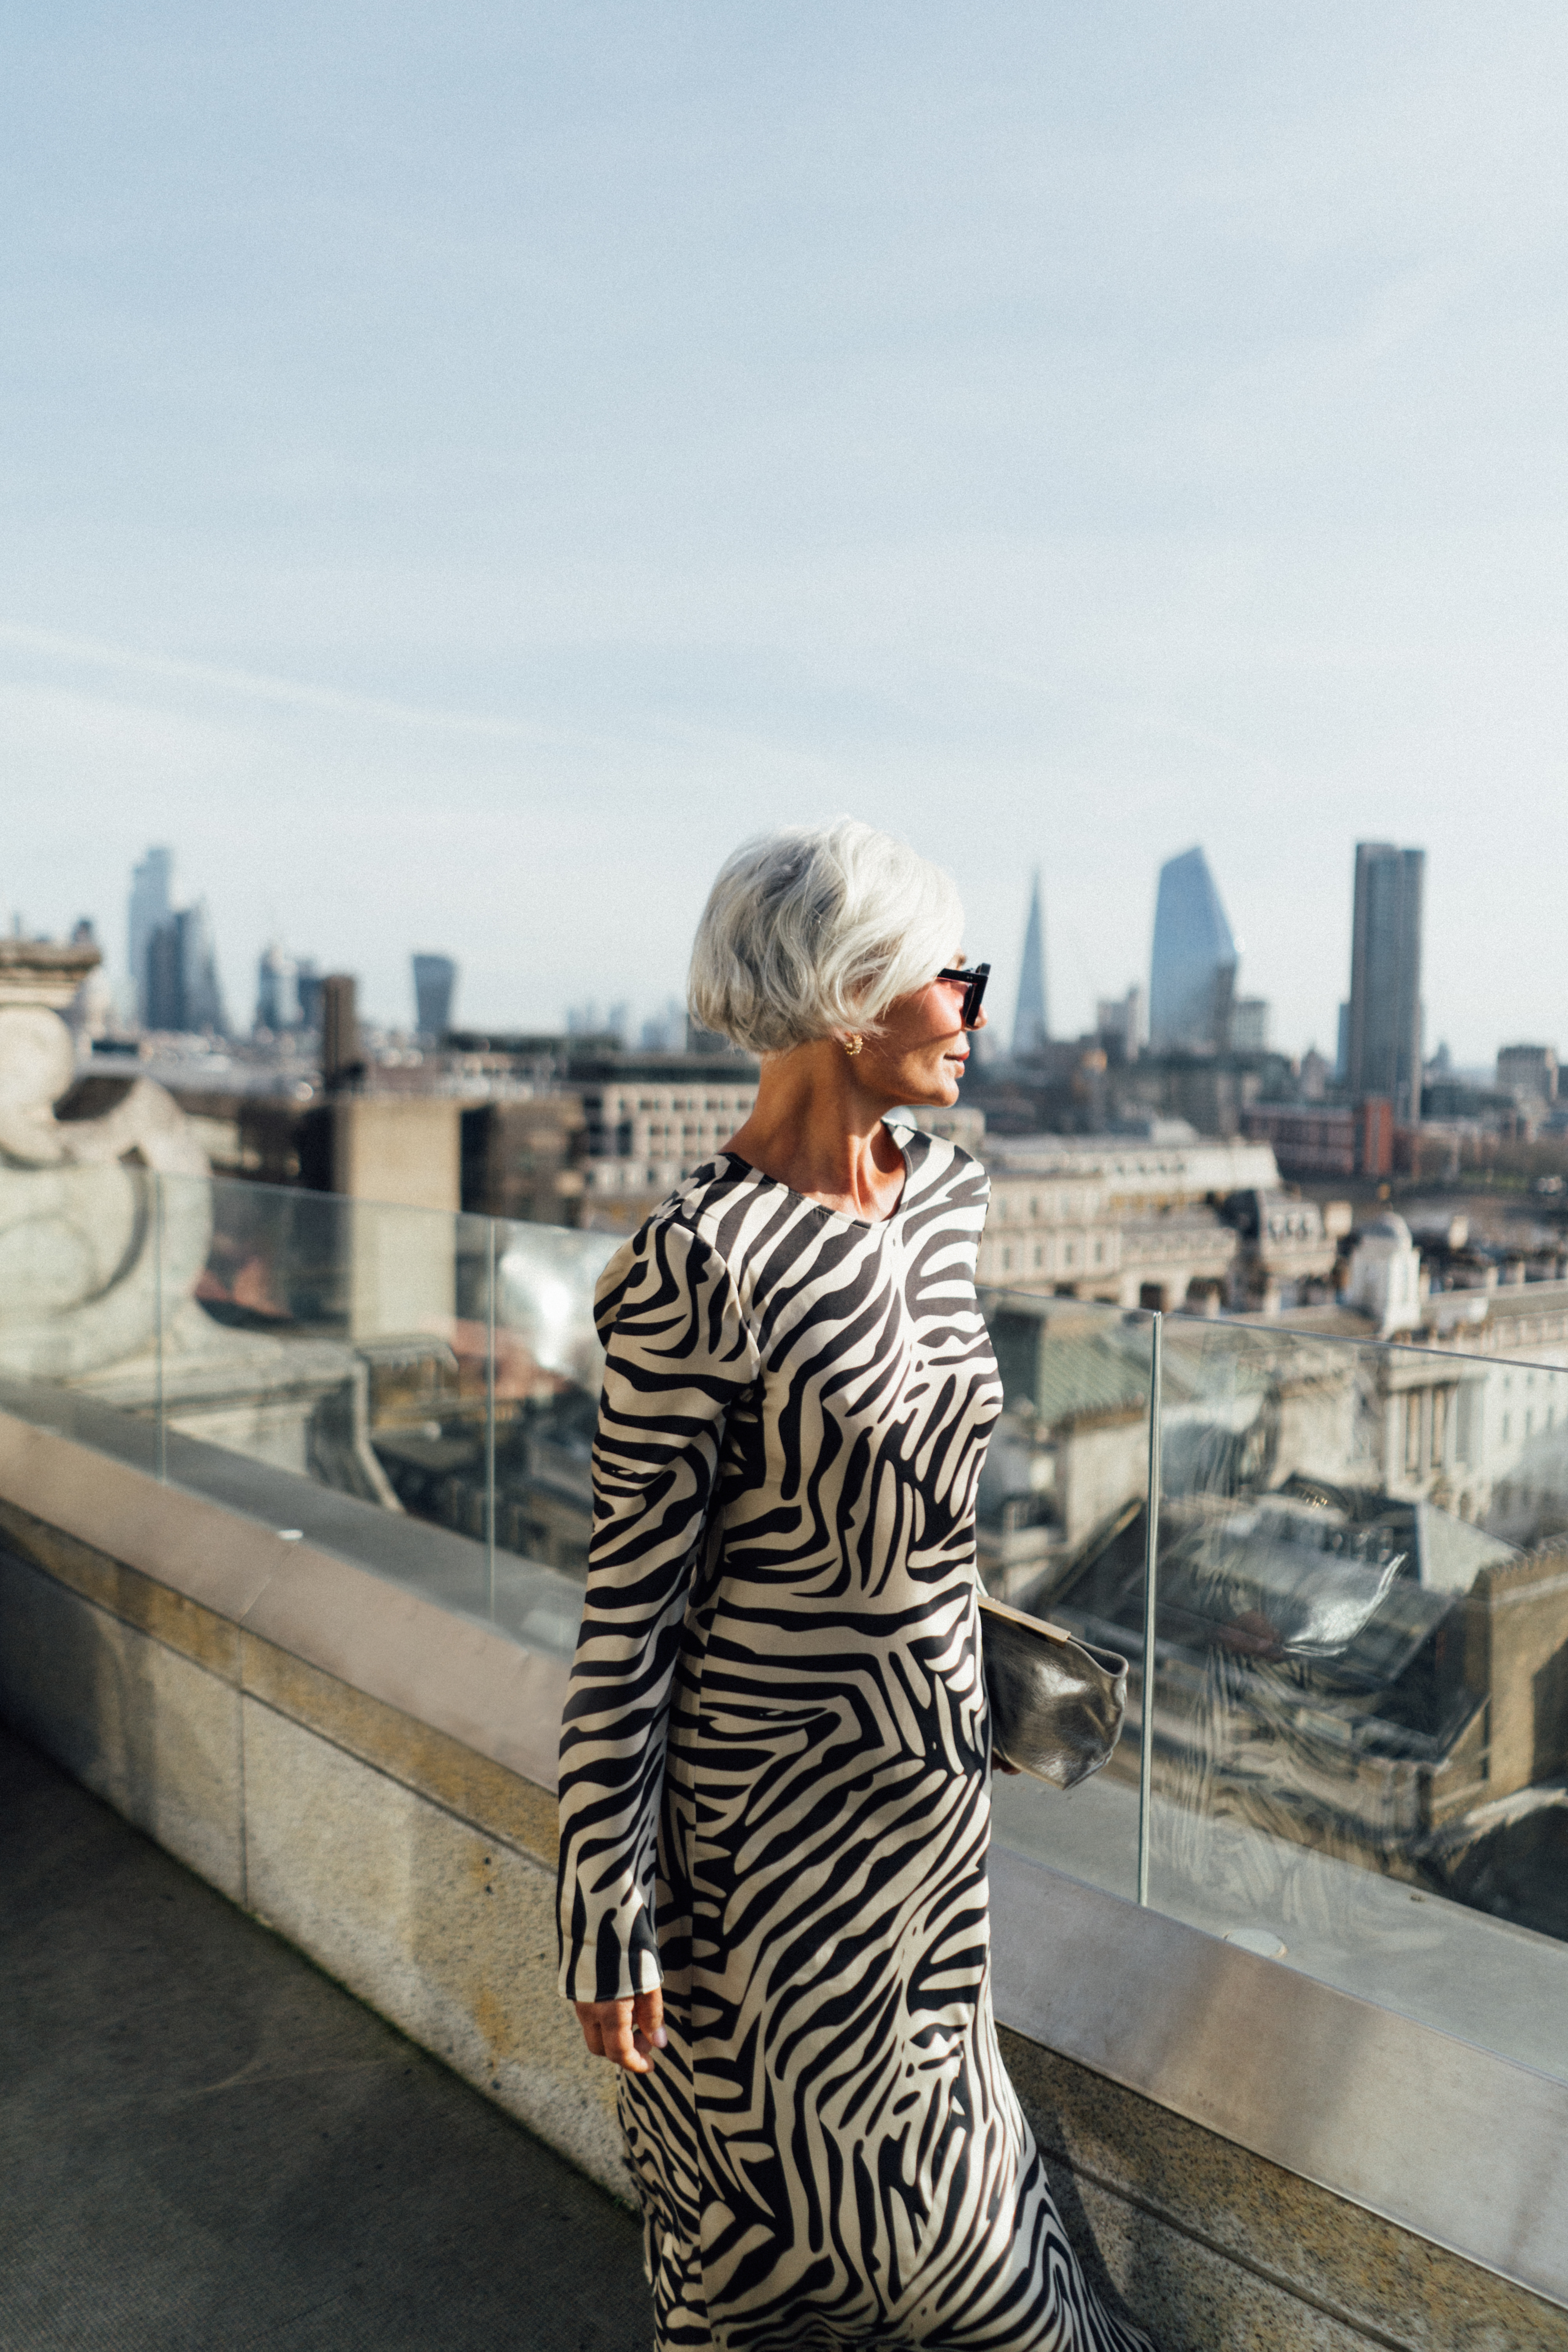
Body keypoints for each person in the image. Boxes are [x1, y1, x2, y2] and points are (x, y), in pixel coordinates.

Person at [556, 819, 1154, 2352]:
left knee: (898, 2184)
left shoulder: (948, 1200)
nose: (973, 1010)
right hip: (766, 1838)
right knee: (782, 2226)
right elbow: (627, 1617)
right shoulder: (696, 1262)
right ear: (848, 992)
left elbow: (922, 1501)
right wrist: (604, 1909)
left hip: (930, 1809)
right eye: (949, 977)